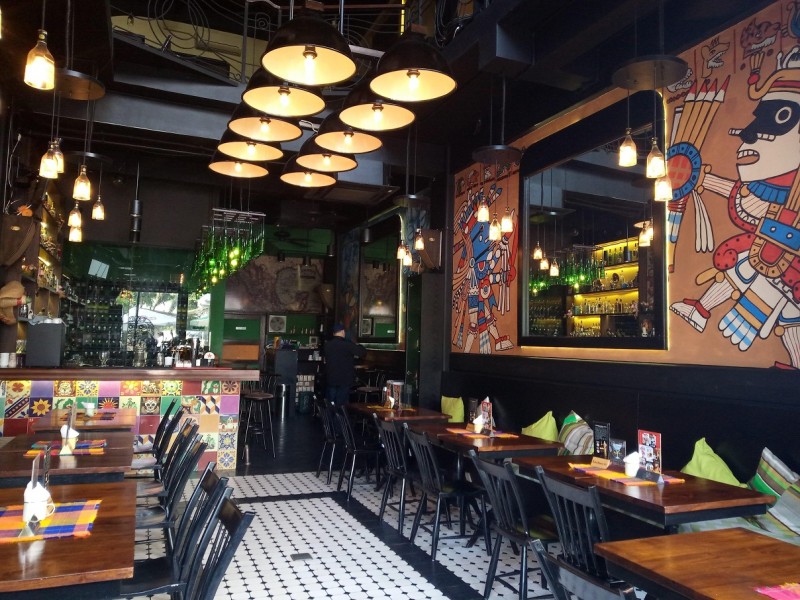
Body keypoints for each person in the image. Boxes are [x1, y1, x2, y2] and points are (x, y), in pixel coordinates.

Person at [323, 323, 366, 406]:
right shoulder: (347, 344)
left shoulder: (327, 345)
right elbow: (362, 352)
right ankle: (339, 414)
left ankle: (330, 414)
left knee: (330, 402)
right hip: (344, 379)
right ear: (343, 332)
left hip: (331, 378)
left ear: (334, 333)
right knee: (341, 404)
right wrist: (357, 344)